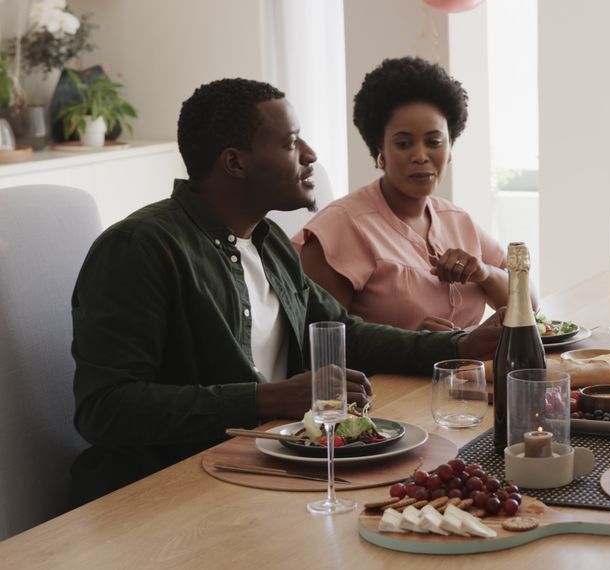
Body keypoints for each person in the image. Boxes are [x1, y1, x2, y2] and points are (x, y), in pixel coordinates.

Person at [70, 78, 501, 504]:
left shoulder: (268, 239)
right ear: (235, 163)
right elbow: (105, 409)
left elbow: (343, 330)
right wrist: (268, 399)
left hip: (266, 473)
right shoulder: (140, 247)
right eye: (292, 142)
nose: (311, 155)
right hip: (168, 494)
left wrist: (461, 343)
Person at [295, 57, 533, 332]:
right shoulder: (340, 227)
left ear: (450, 147)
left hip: (471, 374)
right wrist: (415, 347)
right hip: (388, 377)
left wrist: (485, 273)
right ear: (379, 148)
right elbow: (318, 345)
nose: (420, 156)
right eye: (404, 143)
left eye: (434, 142)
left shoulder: (456, 219)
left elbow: (531, 306)